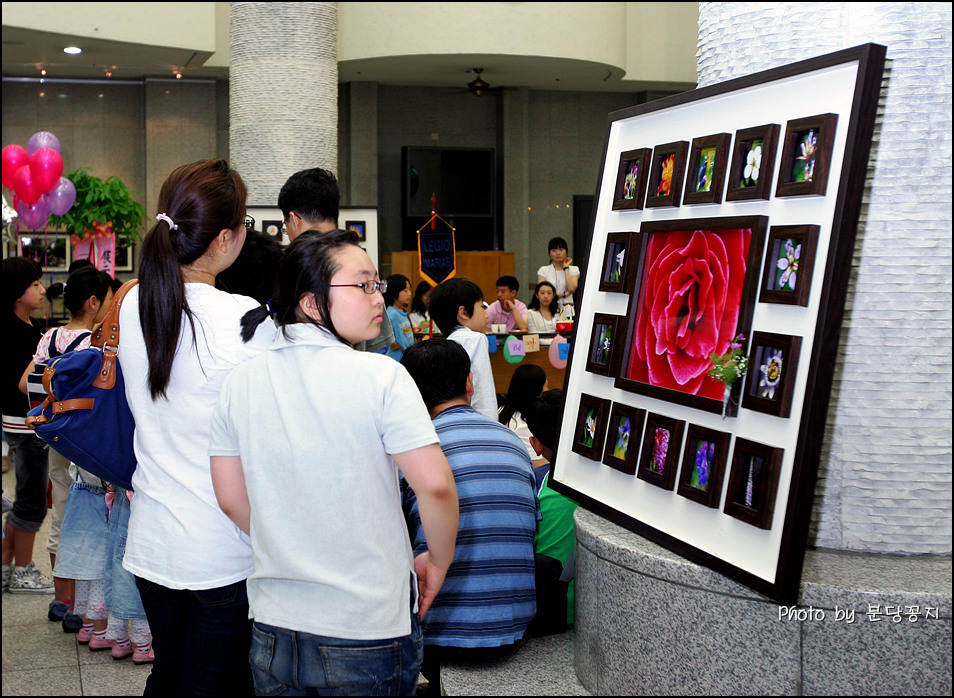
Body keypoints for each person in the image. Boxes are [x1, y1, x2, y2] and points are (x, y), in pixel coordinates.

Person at [210, 229, 459, 696]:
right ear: (310, 302)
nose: (377, 297)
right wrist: (439, 560)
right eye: (362, 285)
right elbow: (437, 487)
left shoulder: (239, 383)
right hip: (366, 626)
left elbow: (229, 498)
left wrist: (291, 537)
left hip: (273, 623)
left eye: (377, 284)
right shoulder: (382, 376)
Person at [117, 158, 277, 695]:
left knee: (170, 673)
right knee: (217, 683)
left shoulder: (135, 302)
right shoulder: (245, 318)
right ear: (226, 238)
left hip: (153, 539)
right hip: (223, 546)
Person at [400, 339, 538, 696]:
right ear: (470, 383)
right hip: (515, 626)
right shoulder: (512, 443)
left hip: (440, 635)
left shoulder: (413, 448)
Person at [17, 266, 113, 628]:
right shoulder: (98, 342)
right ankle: (91, 605)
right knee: (95, 517)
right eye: (107, 300)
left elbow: (27, 382)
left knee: (61, 514)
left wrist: (53, 407)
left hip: (55, 438)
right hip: (89, 443)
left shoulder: (51, 336)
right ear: (93, 302)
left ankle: (63, 600)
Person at [278, 166, 395, 354]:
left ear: (294, 218)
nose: (378, 298)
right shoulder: (360, 261)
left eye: (286, 227)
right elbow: (378, 345)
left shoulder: (288, 267)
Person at [1, 257, 54, 596]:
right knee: (32, 499)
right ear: (17, 292)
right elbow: (26, 383)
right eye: (35, 285)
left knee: (27, 496)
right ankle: (23, 570)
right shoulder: (14, 332)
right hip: (25, 422)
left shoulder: (28, 325)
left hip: (21, 421)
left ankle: (7, 568)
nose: (42, 289)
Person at [524, 389, 579, 628]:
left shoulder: (539, 490)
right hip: (592, 611)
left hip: (552, 612)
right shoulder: (602, 483)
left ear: (535, 445)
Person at [427, 278, 497, 420]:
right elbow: (484, 397)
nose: (487, 314)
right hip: (478, 426)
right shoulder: (475, 339)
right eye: (482, 306)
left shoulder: (446, 344)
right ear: (463, 312)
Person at [498, 364, 548, 467]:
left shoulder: (501, 411)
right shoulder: (524, 425)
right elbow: (538, 468)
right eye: (546, 387)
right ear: (536, 392)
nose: (548, 391)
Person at [536, 236, 580, 319]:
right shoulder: (544, 270)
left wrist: (566, 268)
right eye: (554, 250)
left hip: (568, 311)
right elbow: (541, 291)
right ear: (549, 253)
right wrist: (564, 294)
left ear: (566, 251)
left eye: (561, 250)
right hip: (548, 311)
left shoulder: (574, 270)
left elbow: (572, 288)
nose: (558, 253)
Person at [383, 273, 414, 361]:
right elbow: (383, 332)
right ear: (394, 292)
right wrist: (393, 344)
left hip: (406, 356)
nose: (409, 294)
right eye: (405, 291)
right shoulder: (391, 313)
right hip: (397, 358)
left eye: (409, 290)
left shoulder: (403, 312)